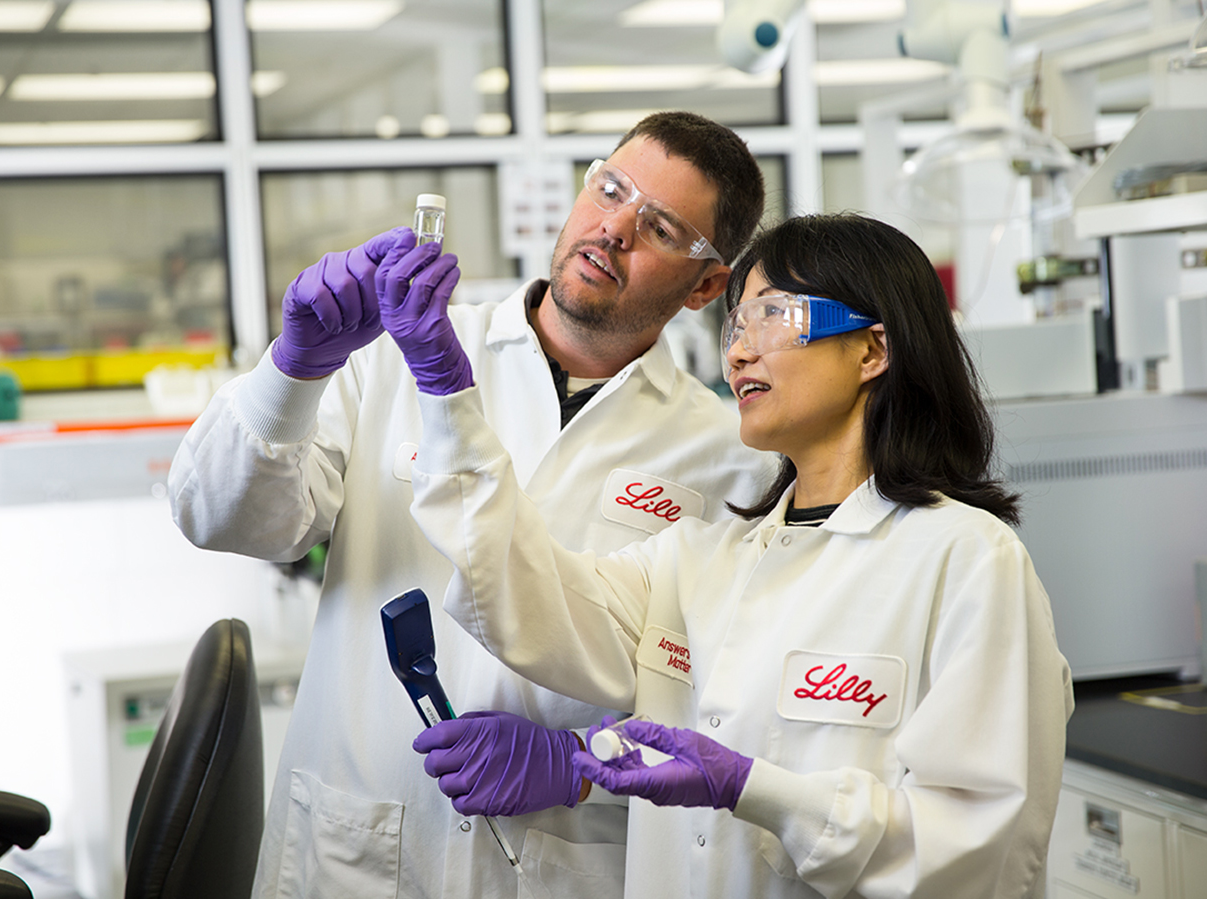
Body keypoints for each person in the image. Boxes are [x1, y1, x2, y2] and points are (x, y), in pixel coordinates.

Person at [167, 110, 777, 899]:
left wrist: (586, 759)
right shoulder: (395, 352)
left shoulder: (727, 453)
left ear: (706, 285)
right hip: (359, 846)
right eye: (611, 188)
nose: (613, 227)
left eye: (658, 226)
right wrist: (293, 369)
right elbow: (219, 518)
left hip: (560, 859)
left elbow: (731, 706)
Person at [397, 212, 1076, 898]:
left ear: (872, 350)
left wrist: (755, 788)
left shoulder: (965, 558)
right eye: (735, 326)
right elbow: (524, 594)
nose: (740, 354)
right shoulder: (696, 558)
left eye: (773, 316)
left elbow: (985, 850)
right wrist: (446, 394)